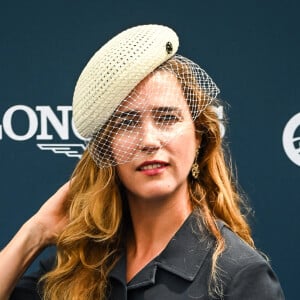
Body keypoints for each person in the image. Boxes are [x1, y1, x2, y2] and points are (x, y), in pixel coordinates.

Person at [0, 24, 284, 300]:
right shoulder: (78, 265)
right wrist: (35, 233)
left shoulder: (239, 275)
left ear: (199, 137)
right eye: (127, 122)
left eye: (167, 118)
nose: (148, 140)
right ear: (107, 148)